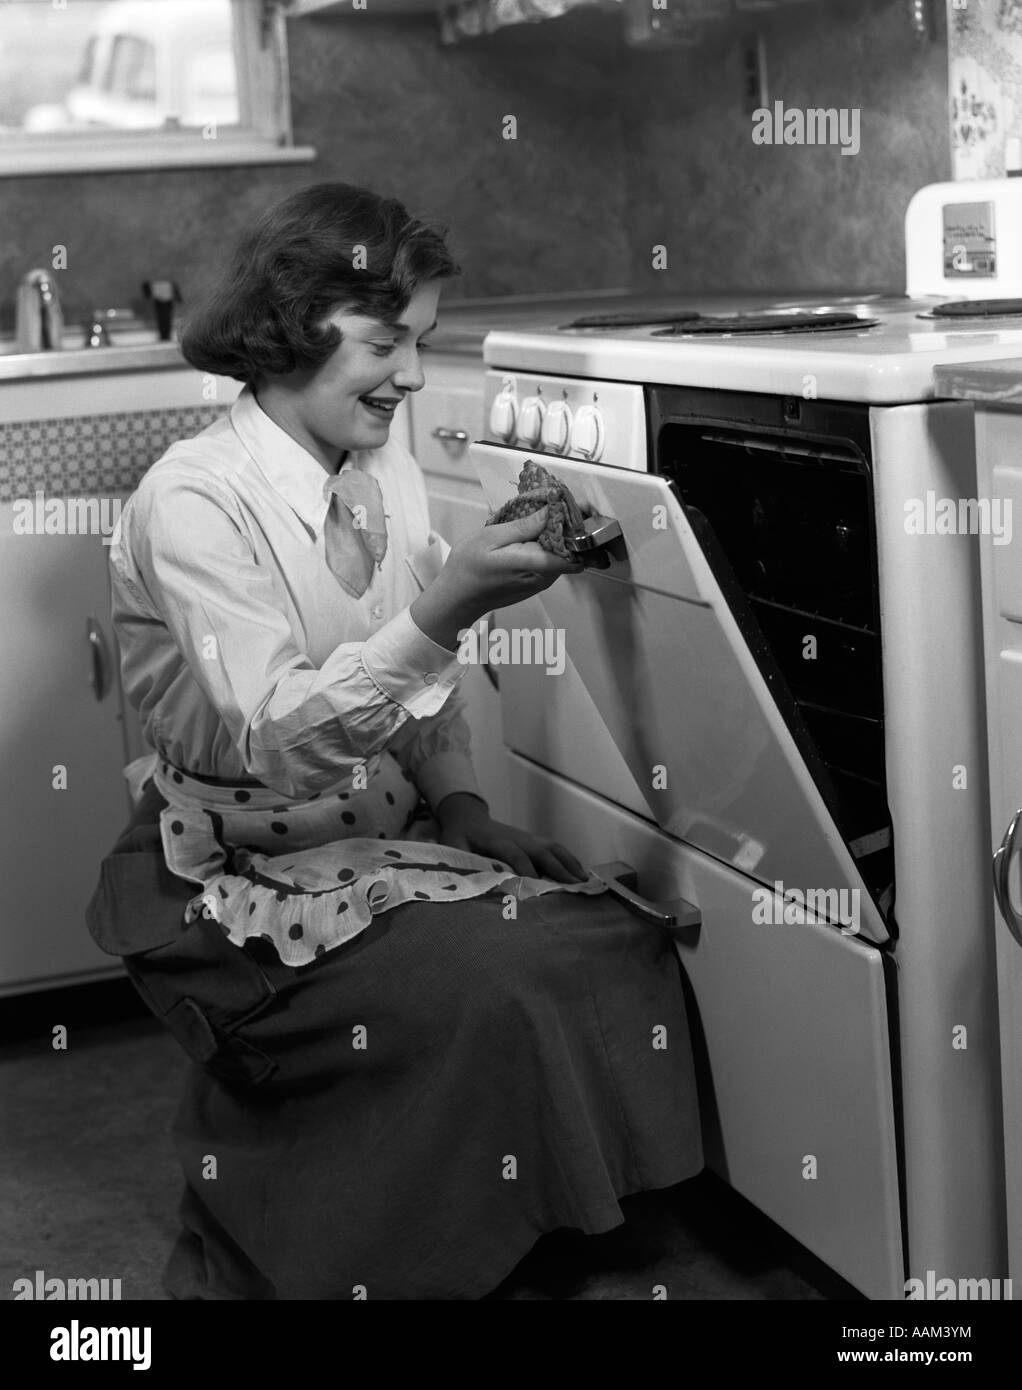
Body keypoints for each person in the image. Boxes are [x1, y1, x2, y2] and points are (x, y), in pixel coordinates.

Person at [86, 182, 703, 1300]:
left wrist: (463, 808)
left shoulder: (382, 470)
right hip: (235, 875)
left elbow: (423, 697)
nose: (413, 376)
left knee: (610, 931)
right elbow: (282, 739)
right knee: (509, 974)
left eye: (418, 341)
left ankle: (536, 1210)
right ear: (290, 326)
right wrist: (445, 609)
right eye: (386, 342)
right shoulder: (192, 503)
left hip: (383, 837)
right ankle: (378, 1240)